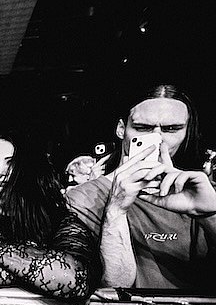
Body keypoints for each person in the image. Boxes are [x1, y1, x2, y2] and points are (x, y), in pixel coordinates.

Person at [66, 84, 216, 289]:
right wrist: (116, 210)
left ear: (187, 132)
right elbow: (116, 286)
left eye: (172, 129)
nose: (158, 139)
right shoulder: (85, 197)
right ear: (121, 129)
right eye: (143, 128)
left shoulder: (198, 191)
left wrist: (209, 215)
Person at [0, 136, 98, 299]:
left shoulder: (59, 220)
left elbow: (76, 278)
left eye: (11, 162)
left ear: (31, 168)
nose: (0, 172)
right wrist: (39, 273)